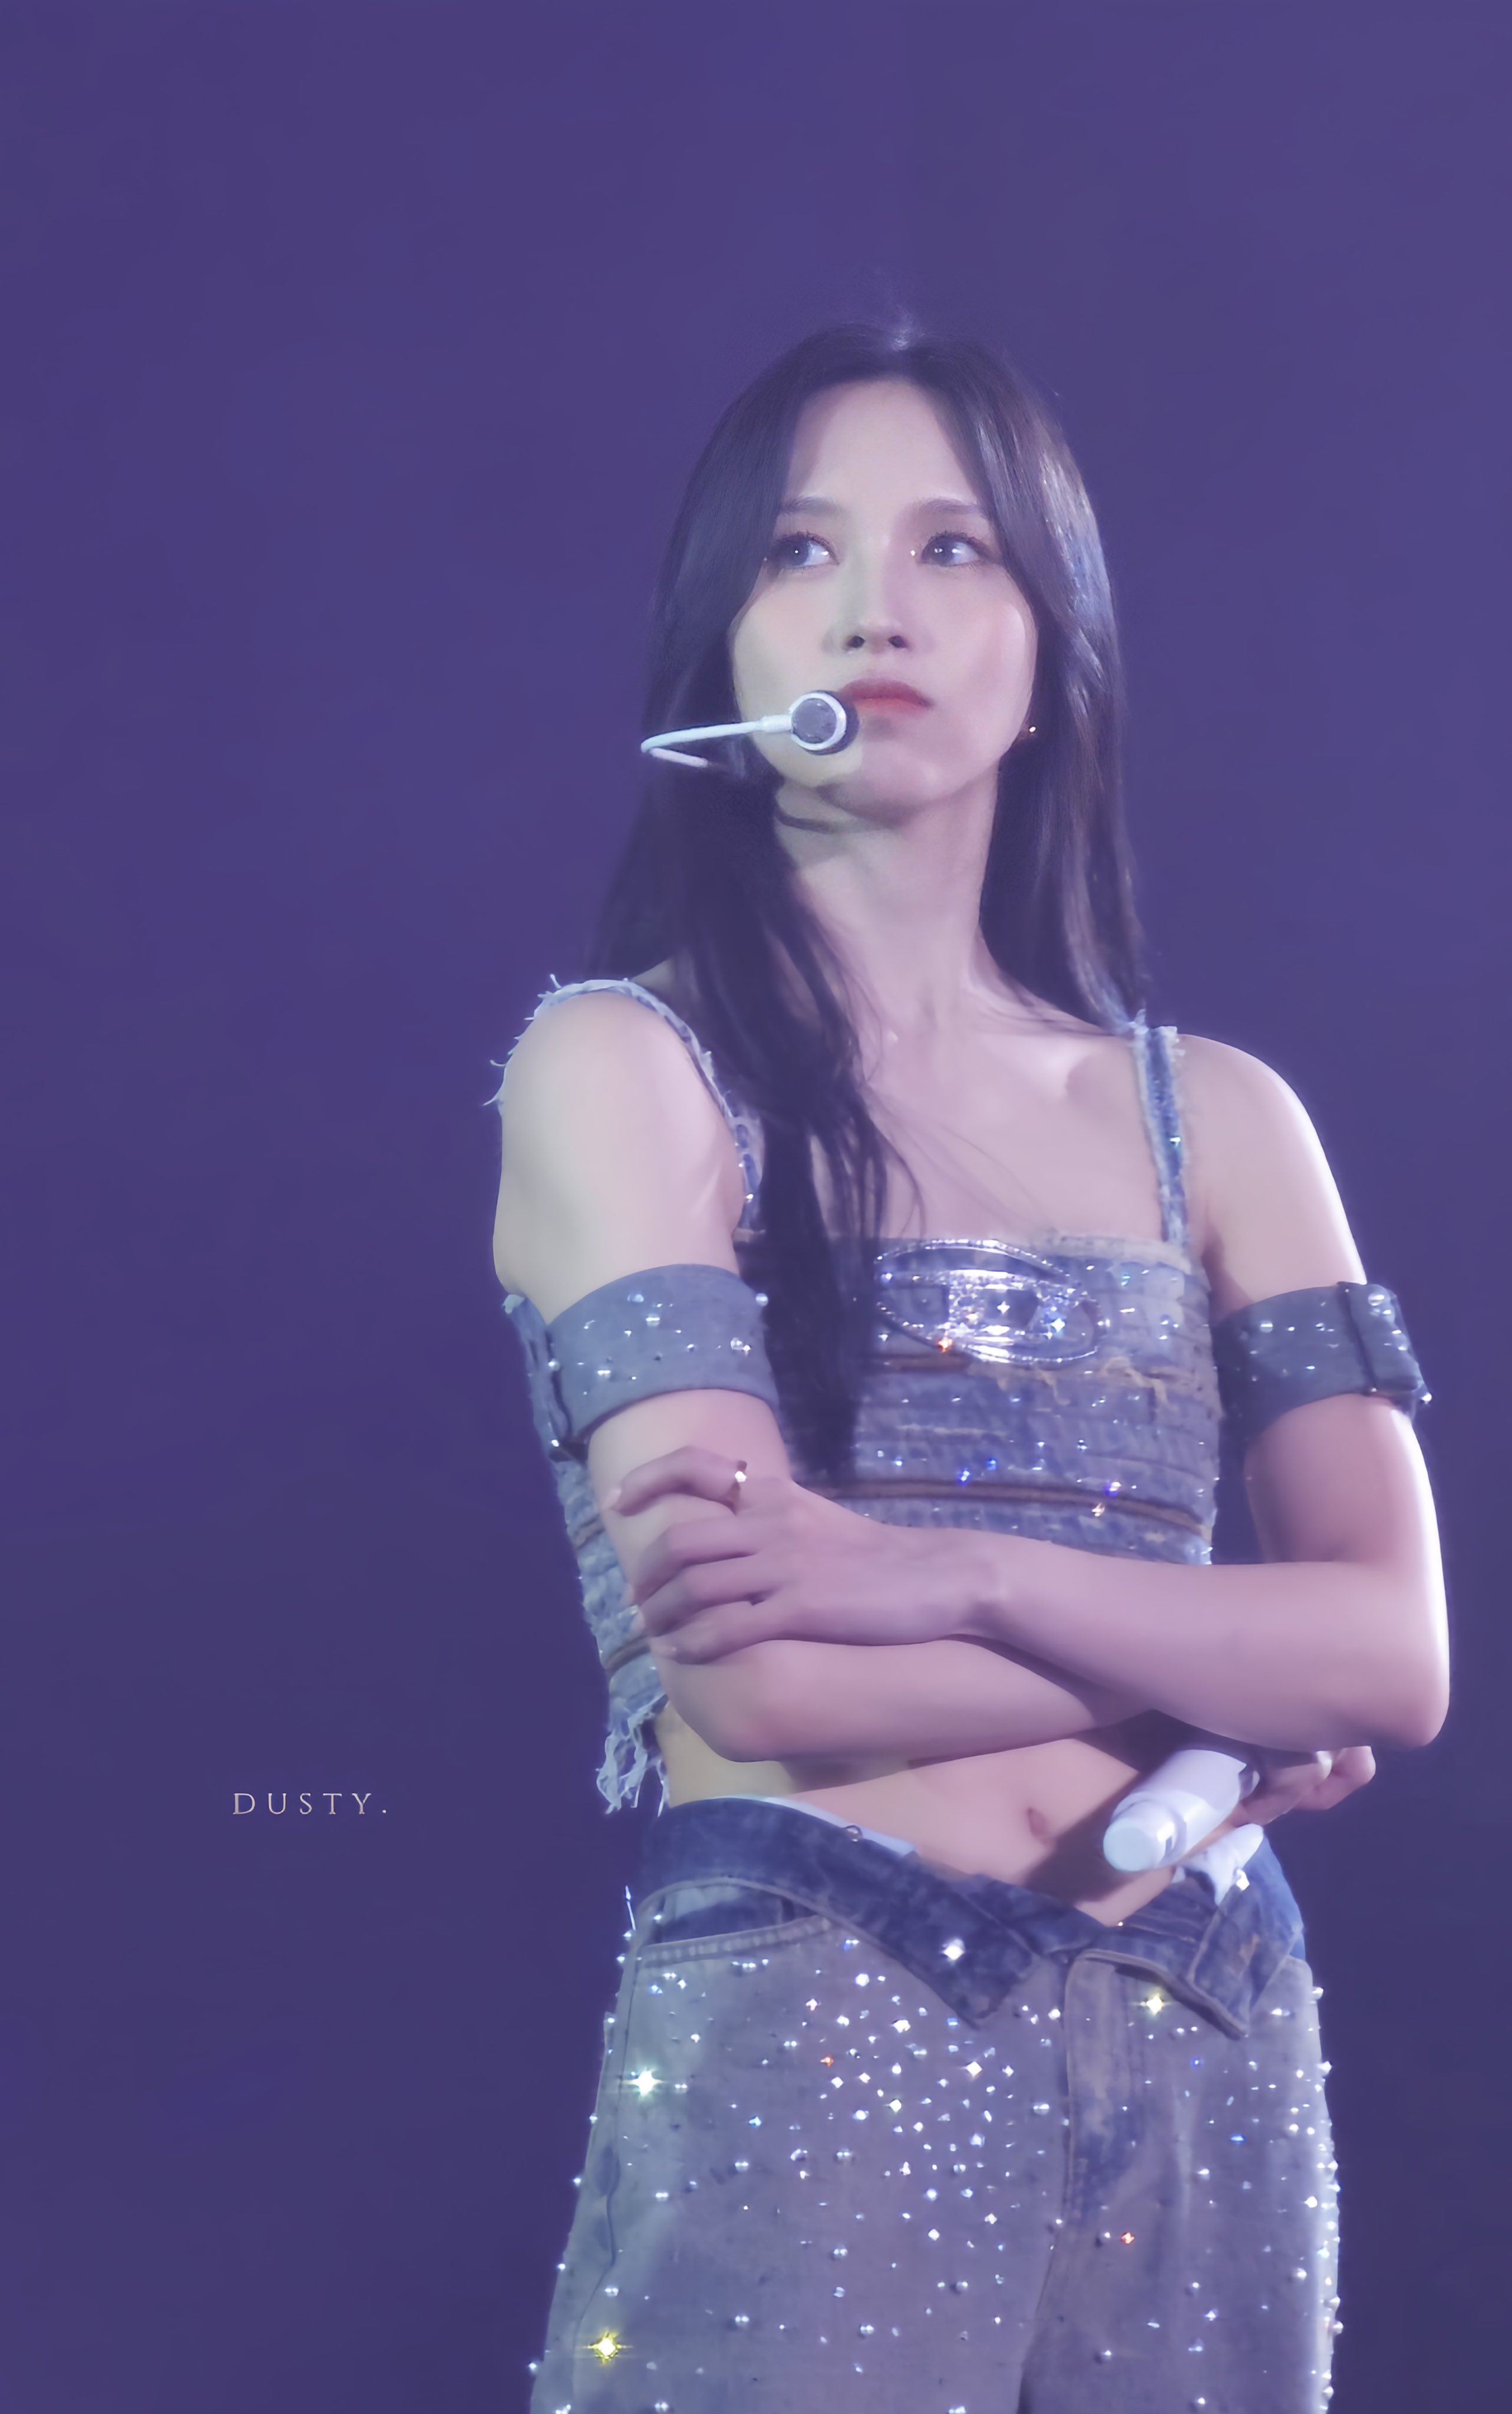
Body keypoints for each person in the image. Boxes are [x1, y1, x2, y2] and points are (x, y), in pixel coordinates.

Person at [491, 324, 1446, 2413]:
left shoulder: (1227, 1120)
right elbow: (761, 1677)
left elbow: (1396, 1653)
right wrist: (1222, 1669)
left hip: (1205, 2021)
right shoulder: (627, 1067)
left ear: (1054, 642)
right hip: (822, 2022)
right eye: (801, 551)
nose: (874, 609)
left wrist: (960, 1574)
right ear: (724, 640)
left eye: (953, 548)